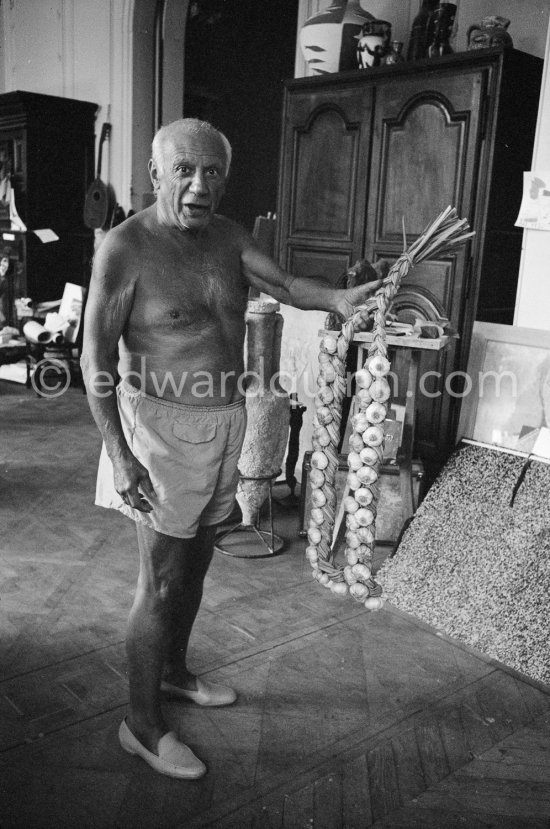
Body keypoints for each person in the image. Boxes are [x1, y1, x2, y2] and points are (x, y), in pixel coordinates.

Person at [81, 118, 384, 780]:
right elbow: (94, 358)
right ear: (156, 174)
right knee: (160, 580)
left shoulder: (229, 238)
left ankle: (174, 672)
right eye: (184, 170)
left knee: (195, 569)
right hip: (159, 432)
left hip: (225, 422)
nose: (199, 185)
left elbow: (288, 287)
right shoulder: (125, 248)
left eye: (212, 172)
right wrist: (120, 454)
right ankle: (141, 725)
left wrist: (341, 298)